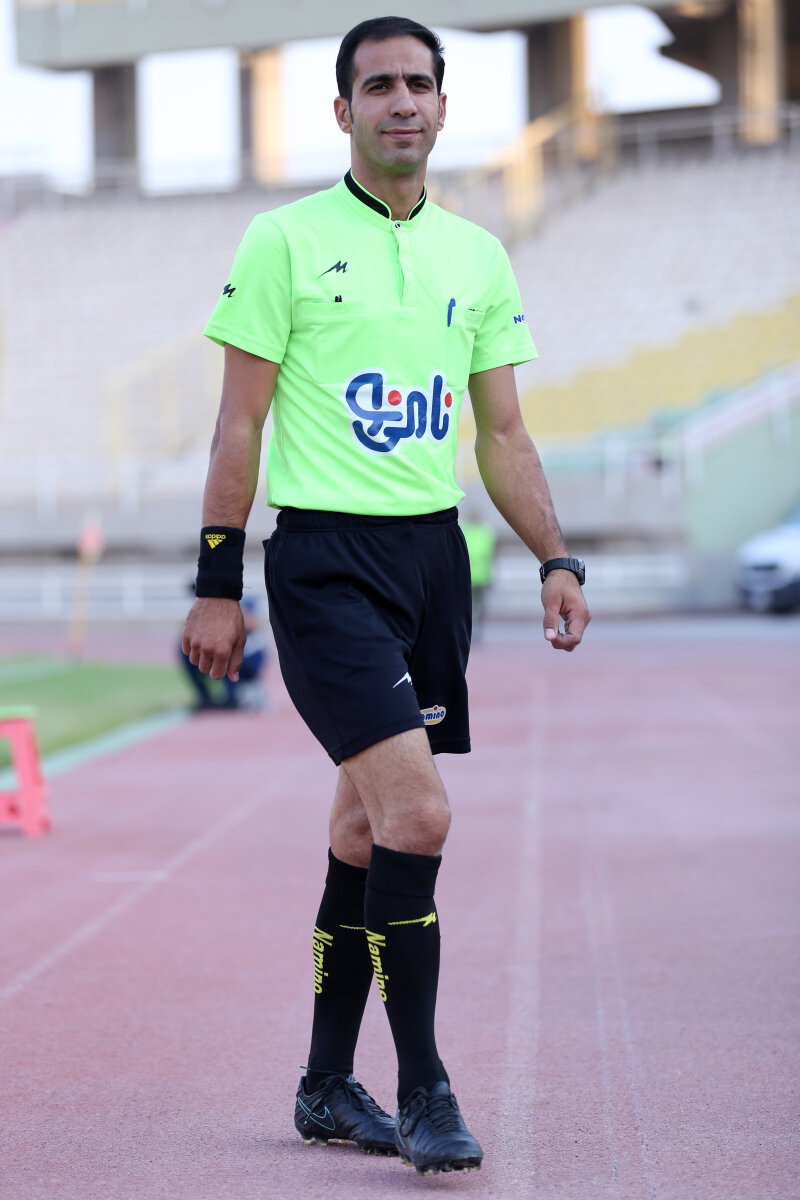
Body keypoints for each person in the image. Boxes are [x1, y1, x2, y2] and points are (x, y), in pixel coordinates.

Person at [182, 15, 590, 1176]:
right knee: (418, 816)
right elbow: (238, 424)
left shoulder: (476, 257)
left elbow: (502, 433)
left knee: (364, 828)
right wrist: (216, 583)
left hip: (430, 565)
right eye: (377, 86)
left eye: (418, 83)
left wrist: (555, 556)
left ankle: (323, 1086)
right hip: (322, 565)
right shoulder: (284, 241)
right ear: (342, 110)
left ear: (442, 107)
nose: (400, 101)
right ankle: (424, 1091)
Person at [180, 595, 268, 711]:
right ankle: (205, 697)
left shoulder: (244, 601)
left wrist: (230, 612)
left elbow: (252, 624)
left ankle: (232, 697)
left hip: (250, 655)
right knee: (187, 649)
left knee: (227, 649)